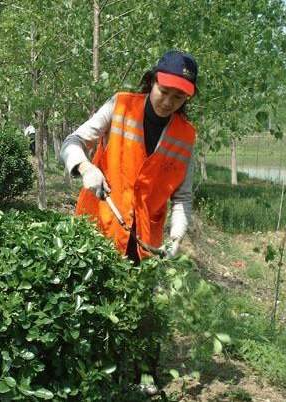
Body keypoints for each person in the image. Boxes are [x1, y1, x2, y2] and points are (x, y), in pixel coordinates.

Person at [60, 50, 198, 264]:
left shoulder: (185, 136)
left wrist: (176, 238)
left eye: (178, 97)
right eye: (164, 91)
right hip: (99, 228)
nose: (168, 102)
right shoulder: (121, 105)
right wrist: (85, 167)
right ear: (152, 81)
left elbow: (182, 197)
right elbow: (72, 142)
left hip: (144, 241)